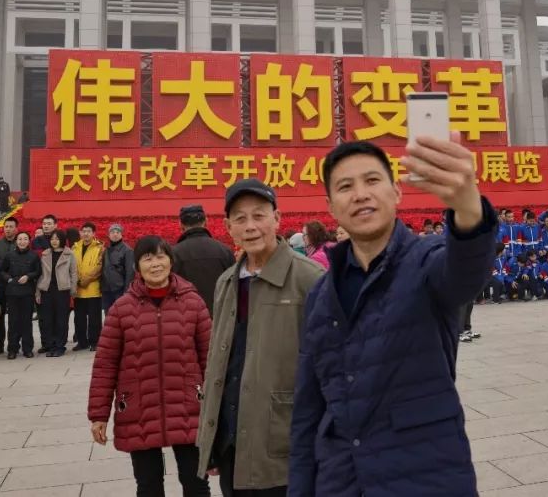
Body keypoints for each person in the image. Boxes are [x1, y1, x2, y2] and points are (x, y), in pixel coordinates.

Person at [289, 136, 497, 497]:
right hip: (340, 481)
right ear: (331, 207)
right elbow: (308, 411)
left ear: (396, 192)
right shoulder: (321, 295)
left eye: (372, 180)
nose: (360, 194)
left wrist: (468, 208)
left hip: (425, 478)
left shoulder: (426, 261)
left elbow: (464, 271)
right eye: (345, 186)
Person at [195, 179, 324, 497]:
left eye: (259, 215)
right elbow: (218, 362)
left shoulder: (310, 279)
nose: (250, 226)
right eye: (240, 218)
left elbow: (332, 367)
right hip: (232, 446)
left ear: (277, 219)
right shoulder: (226, 282)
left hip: (284, 449)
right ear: (228, 227)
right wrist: (211, 439)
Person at [89, 235, 213, 497]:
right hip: (139, 408)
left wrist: (217, 408)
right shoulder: (122, 308)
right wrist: (98, 415)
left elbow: (210, 359)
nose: (155, 264)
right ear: (137, 266)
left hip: (189, 406)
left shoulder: (193, 303)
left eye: (160, 257)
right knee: (148, 485)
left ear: (171, 261)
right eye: (147, 258)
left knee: (196, 483)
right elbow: (105, 364)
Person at [172, 205, 235, 316]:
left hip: (187, 317)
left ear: (180, 224)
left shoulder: (173, 254)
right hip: (220, 316)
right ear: (206, 221)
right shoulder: (224, 251)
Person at [0, 229, 40, 359]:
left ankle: (27, 348)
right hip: (12, 292)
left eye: (25, 239)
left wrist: (28, 276)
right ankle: (12, 349)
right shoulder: (9, 256)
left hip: (27, 292)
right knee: (13, 321)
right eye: (20, 239)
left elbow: (38, 271)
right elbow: (1, 271)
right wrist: (9, 279)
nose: (22, 242)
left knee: (26, 321)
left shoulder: (33, 256)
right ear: (16, 241)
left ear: (29, 241)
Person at [37, 229, 78, 357]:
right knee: (48, 320)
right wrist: (38, 292)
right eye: (52, 239)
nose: (54, 241)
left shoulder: (69, 254)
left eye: (57, 239)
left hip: (62, 290)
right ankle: (51, 346)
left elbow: (74, 273)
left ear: (62, 240)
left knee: (61, 320)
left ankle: (60, 346)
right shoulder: (45, 254)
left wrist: (73, 289)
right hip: (47, 290)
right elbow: (40, 274)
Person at [0, 216, 21, 356]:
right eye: (6, 227)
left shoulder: (21, 243)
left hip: (16, 285)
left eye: (11, 227)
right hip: (0, 285)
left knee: (15, 317)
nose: (8, 229)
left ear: (16, 228)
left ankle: (14, 344)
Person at [73, 222, 105, 351]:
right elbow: (72, 266)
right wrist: (77, 280)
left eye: (88, 231)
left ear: (93, 233)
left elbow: (99, 267)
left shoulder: (99, 247)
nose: (85, 233)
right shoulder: (74, 248)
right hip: (78, 289)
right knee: (79, 318)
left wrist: (86, 280)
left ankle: (95, 341)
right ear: (80, 233)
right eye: (83, 231)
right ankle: (82, 342)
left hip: (93, 288)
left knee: (94, 318)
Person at [102, 223, 135, 313]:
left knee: (122, 315)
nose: (115, 234)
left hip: (120, 290)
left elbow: (130, 273)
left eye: (118, 232)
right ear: (109, 235)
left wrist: (127, 291)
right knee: (109, 316)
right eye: (112, 232)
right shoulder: (106, 250)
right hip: (107, 290)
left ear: (121, 235)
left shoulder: (127, 250)